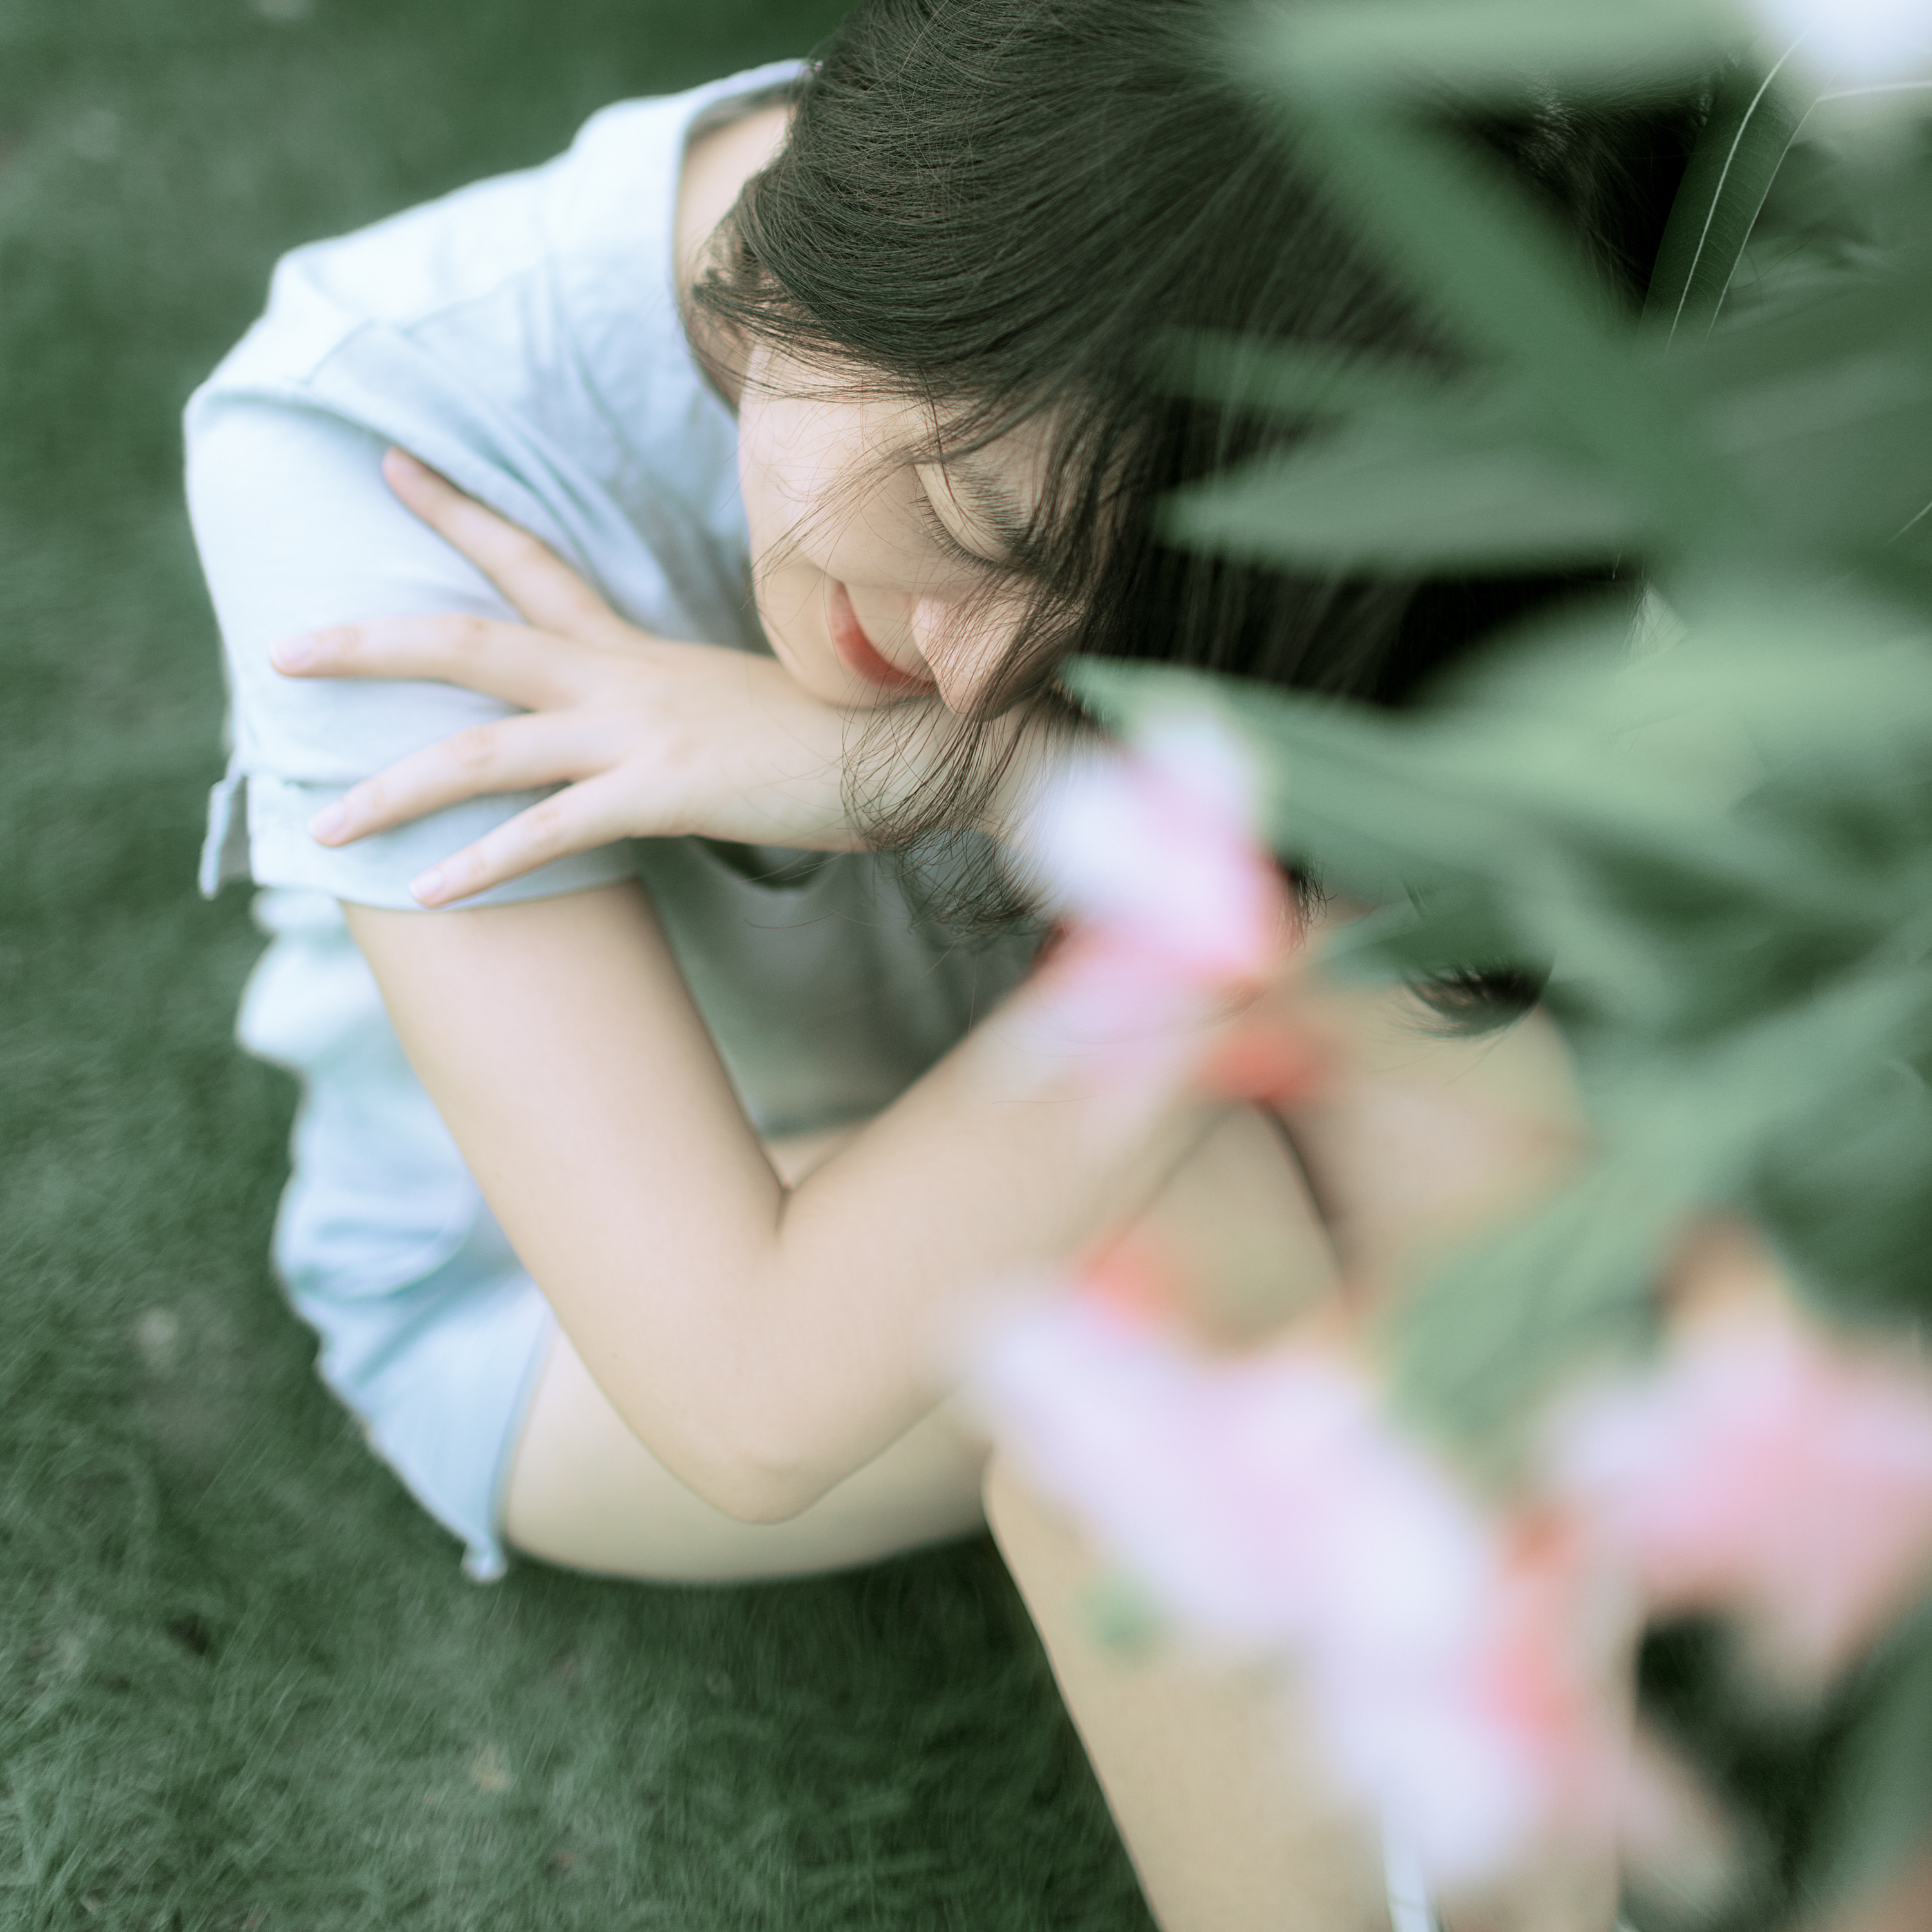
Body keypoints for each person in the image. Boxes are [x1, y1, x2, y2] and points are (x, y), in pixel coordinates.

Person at [187, 4, 1698, 1924]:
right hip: (560, 1311)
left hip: (1055, 1101)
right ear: (883, 237)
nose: (981, 667)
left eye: (1102, 624)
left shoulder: (1268, 337)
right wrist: (1084, 813)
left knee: (1453, 1116)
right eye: (981, 522)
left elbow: (1441, 1026)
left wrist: (952, 773)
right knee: (1176, 1247)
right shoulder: (376, 432)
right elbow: (743, 1395)